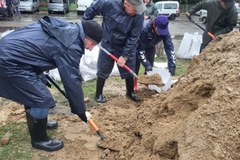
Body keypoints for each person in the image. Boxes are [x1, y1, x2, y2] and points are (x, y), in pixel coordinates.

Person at [0, 16, 102, 152]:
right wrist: (81, 110)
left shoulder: (68, 29)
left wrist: (39, 71)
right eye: (93, 44)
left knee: (37, 88)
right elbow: (71, 81)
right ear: (86, 37)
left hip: (13, 54)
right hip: (10, 61)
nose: (90, 49)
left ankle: (40, 123)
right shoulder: (71, 44)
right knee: (41, 99)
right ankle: (39, 139)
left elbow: (42, 47)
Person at [83, 0, 145, 103]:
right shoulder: (108, 3)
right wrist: (86, 28)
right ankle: (98, 94)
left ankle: (130, 92)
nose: (136, 12)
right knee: (103, 68)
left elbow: (134, 36)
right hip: (108, 42)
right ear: (126, 3)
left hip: (126, 44)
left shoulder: (139, 13)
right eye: (134, 9)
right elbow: (92, 9)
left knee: (129, 68)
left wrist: (124, 56)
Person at [135, 15, 176, 79]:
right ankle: (134, 83)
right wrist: (146, 64)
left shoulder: (165, 32)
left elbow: (169, 48)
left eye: (163, 31)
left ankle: (148, 83)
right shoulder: (144, 29)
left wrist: (172, 66)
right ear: (154, 25)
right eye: (159, 30)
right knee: (136, 64)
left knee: (150, 66)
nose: (161, 33)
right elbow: (140, 49)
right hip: (137, 46)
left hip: (150, 46)